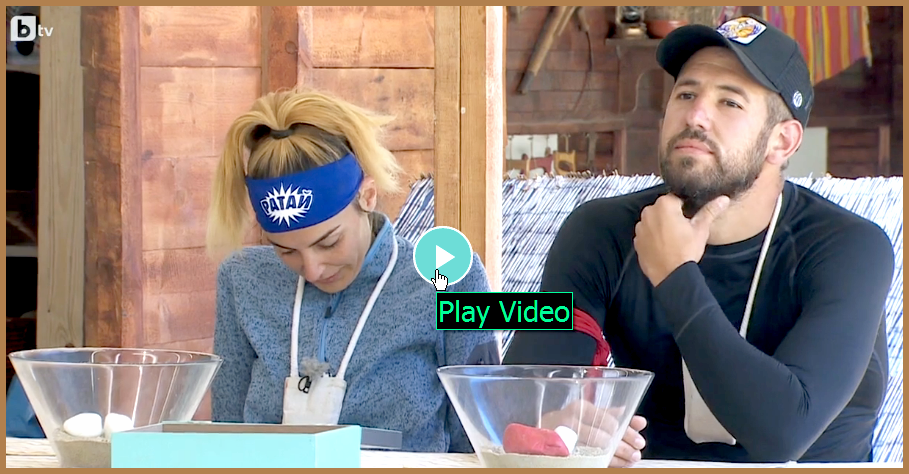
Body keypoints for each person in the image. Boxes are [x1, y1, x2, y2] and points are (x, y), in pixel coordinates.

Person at [503, 15, 894, 464]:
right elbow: (521, 395)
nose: (695, 116)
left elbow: (784, 434)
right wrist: (555, 426)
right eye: (686, 94)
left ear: (782, 142)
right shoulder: (602, 232)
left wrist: (675, 275)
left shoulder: (849, 248)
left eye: (729, 102)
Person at [206, 88, 498, 453]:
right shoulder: (243, 280)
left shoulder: (451, 280)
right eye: (286, 251)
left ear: (368, 195)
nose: (312, 269)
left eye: (329, 242)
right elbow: (225, 438)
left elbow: (483, 444)